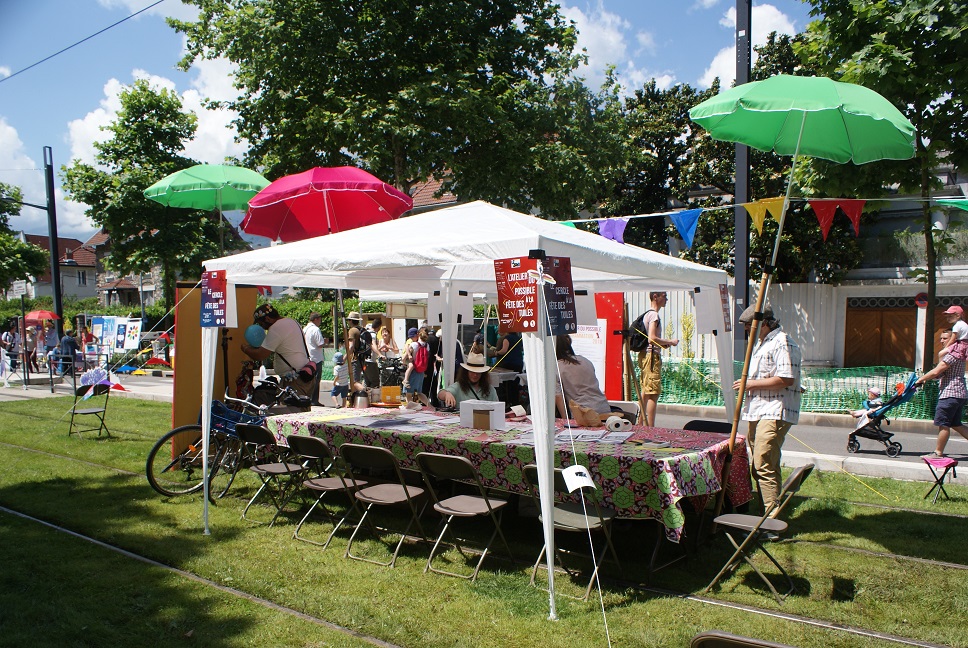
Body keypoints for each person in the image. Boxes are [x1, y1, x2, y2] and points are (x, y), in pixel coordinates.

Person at [733, 302, 802, 514]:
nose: (746, 331)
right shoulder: (763, 343)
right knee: (764, 463)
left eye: (748, 326)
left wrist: (750, 384)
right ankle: (771, 509)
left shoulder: (781, 342)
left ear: (763, 324)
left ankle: (770, 519)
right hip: (760, 409)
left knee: (762, 463)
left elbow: (786, 378)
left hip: (774, 410)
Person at [241, 304, 314, 404]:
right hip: (302, 376)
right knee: (300, 411)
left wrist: (245, 349)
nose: (263, 328)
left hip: (295, 380)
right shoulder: (291, 321)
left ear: (267, 319)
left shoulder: (276, 328)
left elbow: (260, 355)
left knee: (293, 414)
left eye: (261, 324)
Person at [916, 332, 968, 458]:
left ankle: (938, 452)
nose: (942, 341)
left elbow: (937, 371)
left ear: (953, 339)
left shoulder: (952, 354)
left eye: (945, 338)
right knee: (956, 424)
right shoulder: (957, 353)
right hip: (959, 393)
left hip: (950, 393)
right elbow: (940, 374)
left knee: (943, 424)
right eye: (941, 338)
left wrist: (921, 379)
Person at [635, 291, 679, 427]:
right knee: (653, 393)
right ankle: (649, 426)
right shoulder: (654, 315)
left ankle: (641, 423)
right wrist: (670, 342)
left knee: (646, 390)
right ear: (655, 297)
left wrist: (664, 343)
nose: (666, 299)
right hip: (652, 356)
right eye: (664, 296)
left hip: (646, 355)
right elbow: (652, 338)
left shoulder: (647, 314)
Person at [552, 334, 615, 423]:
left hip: (583, 414)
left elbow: (558, 396)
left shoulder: (556, 367)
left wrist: (565, 421)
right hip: (604, 409)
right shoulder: (585, 360)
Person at [345, 311, 373, 390]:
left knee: (354, 382)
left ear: (350, 320)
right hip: (362, 358)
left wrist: (344, 358)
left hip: (355, 358)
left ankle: (366, 392)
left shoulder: (352, 331)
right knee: (357, 380)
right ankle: (357, 399)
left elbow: (351, 347)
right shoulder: (362, 329)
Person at [303, 312, 325, 406]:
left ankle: (307, 398)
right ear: (316, 319)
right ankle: (314, 400)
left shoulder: (305, 329)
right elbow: (320, 344)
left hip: (307, 357)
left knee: (307, 379)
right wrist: (326, 341)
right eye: (319, 319)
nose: (320, 322)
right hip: (316, 358)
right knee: (316, 380)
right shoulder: (315, 329)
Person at [402, 328, 429, 400]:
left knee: (409, 393)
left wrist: (404, 361)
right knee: (419, 392)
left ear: (418, 335)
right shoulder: (427, 345)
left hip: (414, 370)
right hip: (421, 371)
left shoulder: (414, 344)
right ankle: (429, 406)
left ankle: (410, 407)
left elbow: (404, 357)